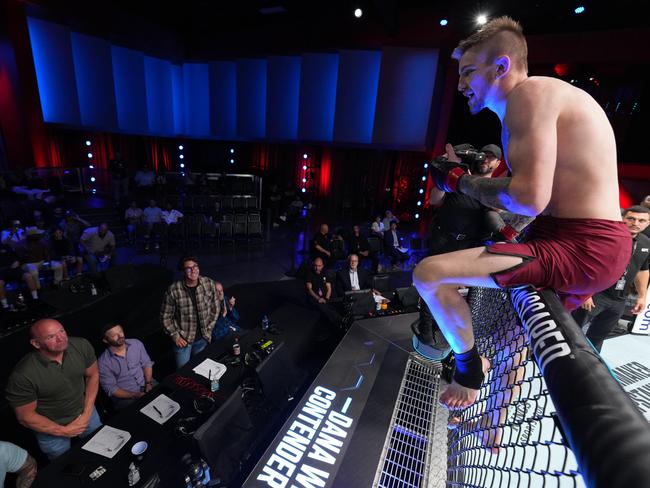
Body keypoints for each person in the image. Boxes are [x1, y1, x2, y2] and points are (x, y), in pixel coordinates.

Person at [414, 17, 630, 411]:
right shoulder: (540, 100)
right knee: (518, 330)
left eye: (468, 72)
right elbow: (541, 199)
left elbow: (529, 198)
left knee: (428, 274)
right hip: (579, 237)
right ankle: (494, 421)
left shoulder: (528, 95)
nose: (461, 85)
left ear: (501, 67)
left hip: (585, 244)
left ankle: (467, 369)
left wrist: (460, 181)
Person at [5, 319, 102, 460]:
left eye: (61, 331)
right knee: (65, 466)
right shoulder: (23, 375)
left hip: (86, 413)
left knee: (102, 449)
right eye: (51, 337)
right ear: (36, 343)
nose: (61, 338)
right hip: (51, 428)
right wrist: (64, 431)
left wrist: (87, 413)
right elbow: (25, 417)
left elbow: (93, 376)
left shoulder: (81, 345)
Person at [572, 206, 650, 352]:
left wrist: (642, 296)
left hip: (619, 299)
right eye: (631, 218)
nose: (636, 223)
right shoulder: (607, 237)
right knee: (572, 329)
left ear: (648, 223)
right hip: (595, 294)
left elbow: (642, 270)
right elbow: (586, 263)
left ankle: (591, 363)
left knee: (599, 335)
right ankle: (555, 358)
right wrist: (586, 293)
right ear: (622, 218)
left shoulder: (646, 243)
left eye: (642, 220)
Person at [160, 256, 220, 369]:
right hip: (183, 341)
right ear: (183, 271)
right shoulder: (174, 290)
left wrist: (209, 329)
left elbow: (215, 308)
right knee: (183, 373)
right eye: (188, 268)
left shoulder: (208, 283)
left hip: (203, 339)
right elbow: (165, 318)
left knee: (201, 369)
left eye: (195, 266)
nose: (193, 270)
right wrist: (175, 336)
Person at [97, 322, 154, 410]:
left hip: (146, 383)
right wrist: (135, 395)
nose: (119, 335)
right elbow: (111, 389)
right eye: (113, 335)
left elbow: (146, 363)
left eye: (120, 331)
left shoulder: (136, 343)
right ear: (105, 340)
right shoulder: (103, 362)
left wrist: (149, 383)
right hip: (126, 397)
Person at [0, 243, 39, 309]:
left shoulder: (6, 246)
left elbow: (18, 257)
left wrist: (18, 261)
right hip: (2, 272)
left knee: (28, 276)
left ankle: (35, 299)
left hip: (15, 270)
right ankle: (5, 305)